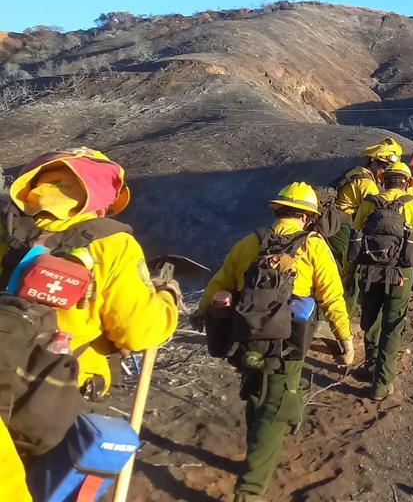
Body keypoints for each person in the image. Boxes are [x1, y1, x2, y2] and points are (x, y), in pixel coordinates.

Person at [0, 148, 181, 499]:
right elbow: (139, 331)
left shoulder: (9, 231)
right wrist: (167, 300)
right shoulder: (112, 245)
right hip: (53, 408)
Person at [197, 181, 352, 502]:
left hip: (247, 337)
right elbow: (332, 296)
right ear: (308, 218)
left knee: (256, 392)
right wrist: (345, 339)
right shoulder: (314, 247)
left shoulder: (248, 244)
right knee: (275, 405)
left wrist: (201, 315)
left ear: (277, 210)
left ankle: (268, 431)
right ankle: (251, 490)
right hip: (288, 344)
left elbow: (219, 284)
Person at [350, 162, 413, 401]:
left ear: (383, 180)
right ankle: (382, 384)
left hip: (369, 271)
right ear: (407, 182)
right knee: (393, 325)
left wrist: (348, 272)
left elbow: (355, 238)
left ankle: (370, 366)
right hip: (401, 275)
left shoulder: (368, 203)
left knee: (371, 319)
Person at [333, 138, 402, 311]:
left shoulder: (357, 172)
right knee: (351, 270)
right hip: (344, 227)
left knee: (338, 268)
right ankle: (343, 315)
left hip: (338, 223)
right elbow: (375, 214)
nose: (385, 173)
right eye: (384, 167)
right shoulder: (367, 184)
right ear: (374, 162)